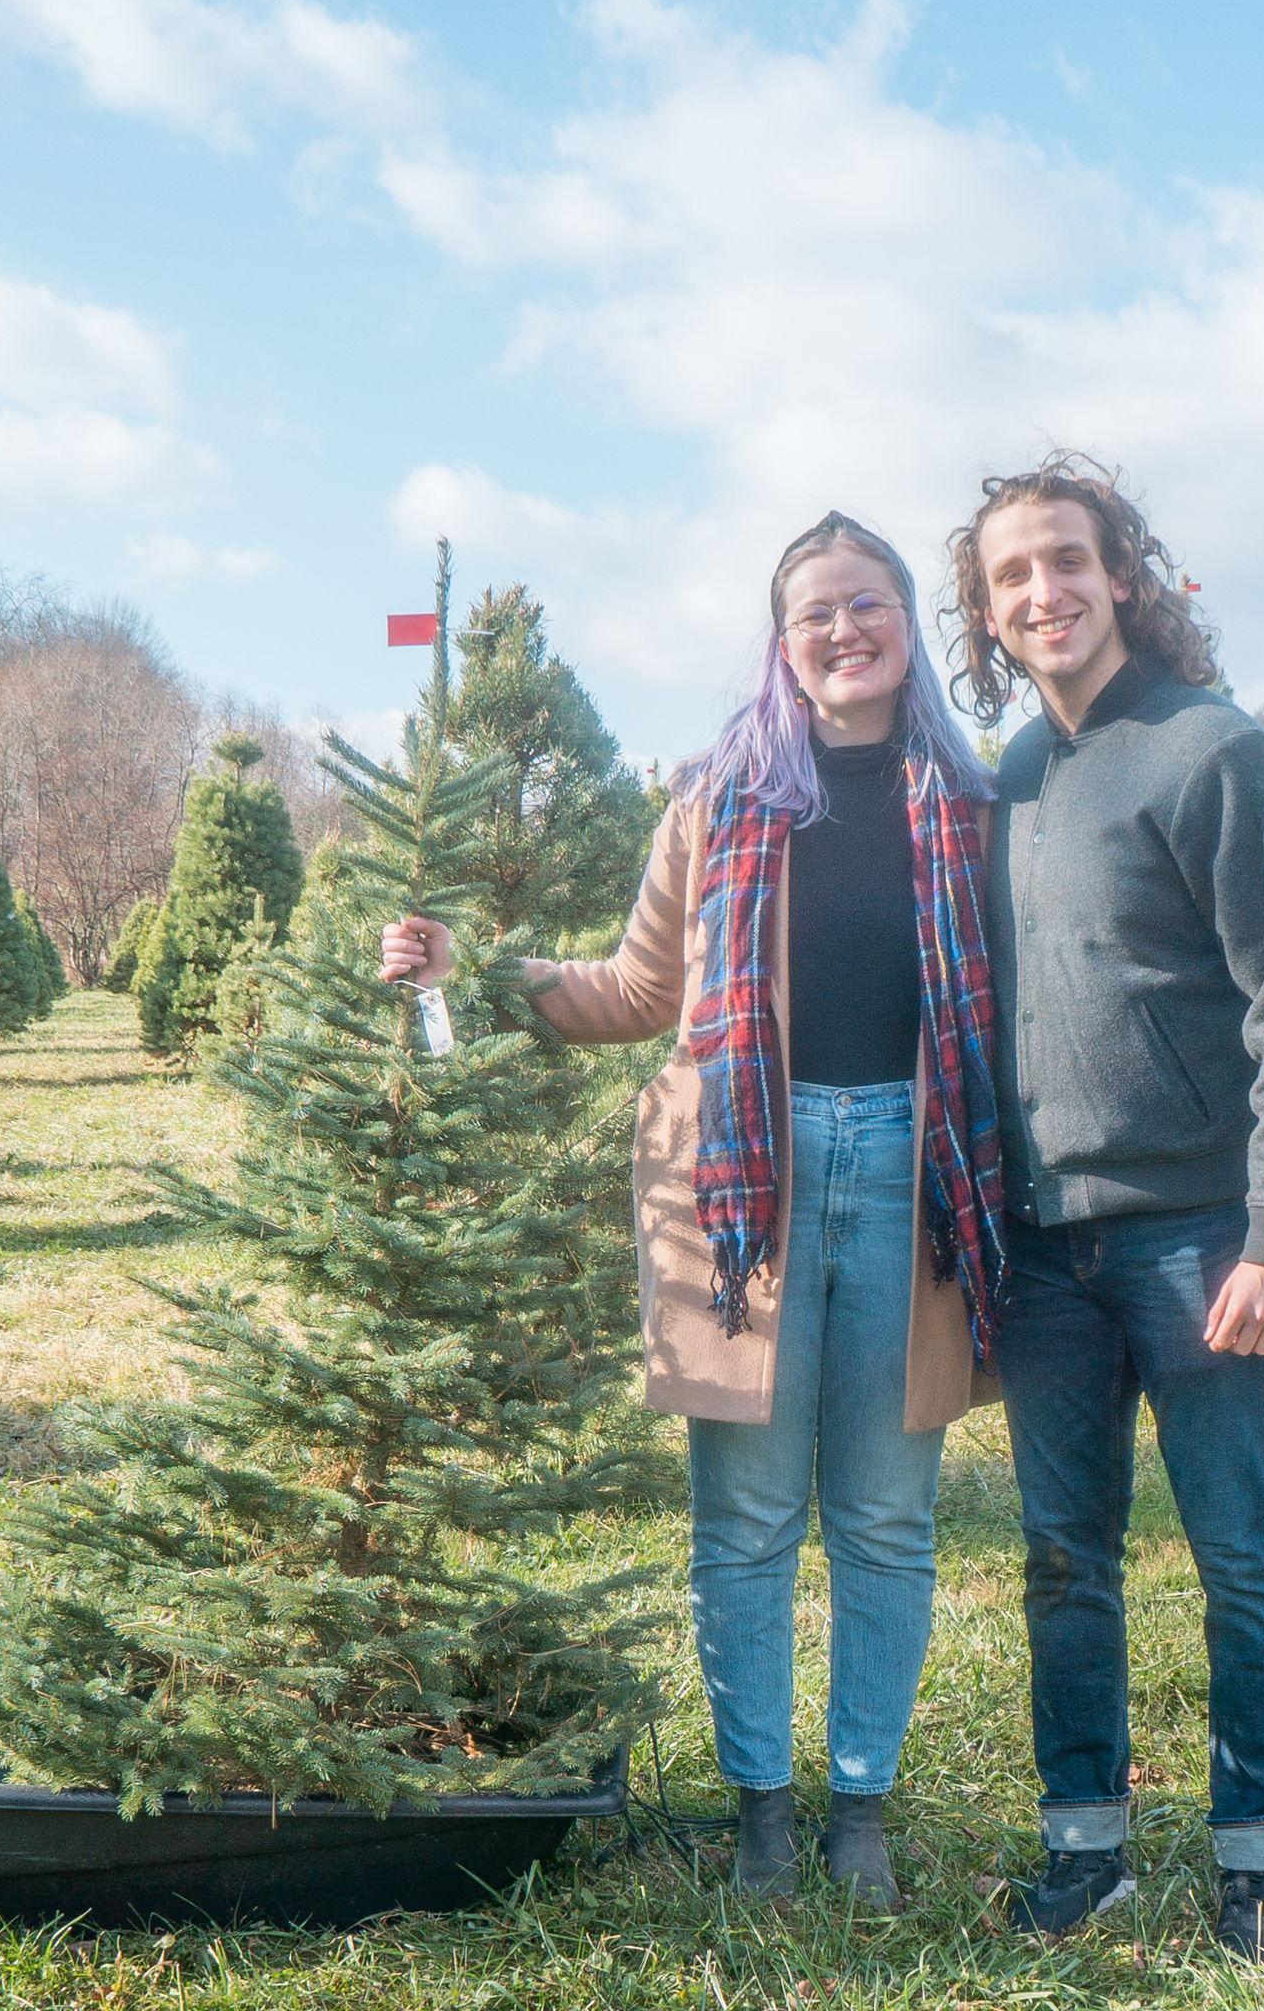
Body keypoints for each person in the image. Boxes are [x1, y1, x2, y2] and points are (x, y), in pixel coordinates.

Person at [380, 513, 1004, 1909]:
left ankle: (861, 1810)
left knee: (886, 1518)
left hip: (913, 1180)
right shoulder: (719, 800)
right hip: (743, 1198)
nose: (842, 630)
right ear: (782, 643)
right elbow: (636, 990)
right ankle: (762, 1814)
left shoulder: (972, 805)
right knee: (749, 1518)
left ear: (909, 622)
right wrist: (479, 969)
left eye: (867, 603)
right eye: (814, 612)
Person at [945, 454, 1264, 1962]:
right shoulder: (1010, 777)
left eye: (1067, 560)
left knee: (1239, 1550)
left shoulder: (1214, 755)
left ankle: (1259, 1866)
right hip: (1047, 1249)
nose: (1042, 591)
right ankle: (1085, 1847)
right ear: (987, 613)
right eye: (1010, 575)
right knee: (1064, 1556)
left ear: (1122, 575)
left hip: (1200, 1239)